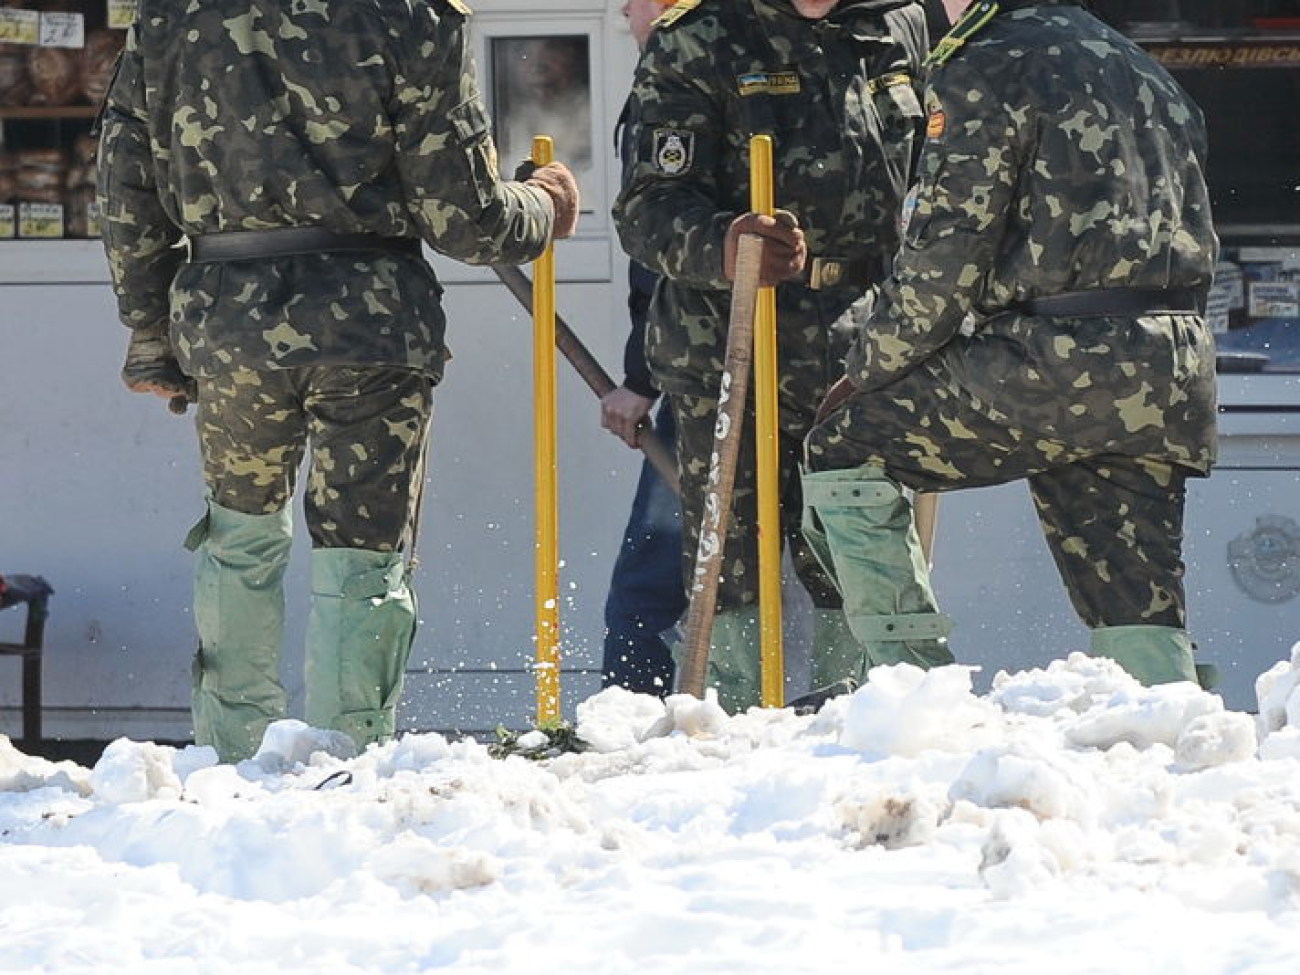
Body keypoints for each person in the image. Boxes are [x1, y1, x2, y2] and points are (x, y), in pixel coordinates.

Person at [96, 0, 579, 762]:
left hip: (229, 322)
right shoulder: (411, 15)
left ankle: (231, 754)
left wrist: (150, 327)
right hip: (370, 326)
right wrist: (545, 205)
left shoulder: (170, 17)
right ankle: (347, 756)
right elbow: (466, 219)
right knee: (364, 551)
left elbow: (127, 186)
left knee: (239, 536)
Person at [801, 0, 1218, 687]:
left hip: (1054, 357)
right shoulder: (1142, 67)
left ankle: (911, 689)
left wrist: (867, 368)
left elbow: (947, 254)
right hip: (1171, 365)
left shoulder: (985, 61)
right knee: (1136, 585)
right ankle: (1173, 732)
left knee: (844, 445)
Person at [612, 0, 932, 712]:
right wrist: (724, 243)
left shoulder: (896, 25)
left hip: (863, 338)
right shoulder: (699, 37)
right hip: (730, 341)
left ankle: (872, 714)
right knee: (731, 560)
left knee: (860, 536)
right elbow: (646, 208)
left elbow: (932, 173)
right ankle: (732, 721)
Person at [600, 0, 687, 697]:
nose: (629, 11)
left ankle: (632, 712)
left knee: (657, 565)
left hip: (702, 370)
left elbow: (658, 255)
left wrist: (640, 379)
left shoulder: (674, 73)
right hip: (806, 362)